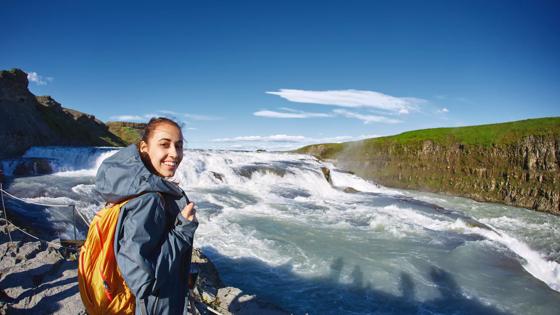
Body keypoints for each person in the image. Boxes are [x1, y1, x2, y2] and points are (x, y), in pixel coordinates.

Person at [95, 117, 198, 314]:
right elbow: (142, 279)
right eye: (164, 145)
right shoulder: (148, 200)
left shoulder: (130, 189)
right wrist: (183, 229)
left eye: (179, 145)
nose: (174, 154)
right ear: (144, 147)